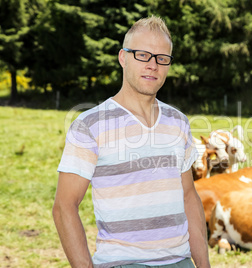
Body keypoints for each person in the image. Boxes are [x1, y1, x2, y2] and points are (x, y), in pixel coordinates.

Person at [52, 15, 210, 268]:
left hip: (180, 262)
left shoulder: (178, 122)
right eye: (143, 55)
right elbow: (64, 207)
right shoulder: (91, 125)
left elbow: (189, 197)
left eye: (162, 58)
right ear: (123, 58)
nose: (153, 65)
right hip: (122, 263)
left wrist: (203, 266)